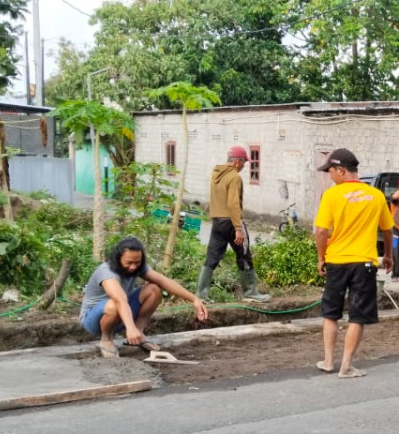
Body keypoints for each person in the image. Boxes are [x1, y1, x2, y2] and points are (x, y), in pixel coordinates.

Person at [313, 148, 395, 379]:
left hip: (337, 261)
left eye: (330, 171)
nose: (330, 176)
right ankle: (346, 367)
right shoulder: (376, 195)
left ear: (341, 170)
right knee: (358, 315)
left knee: (331, 313)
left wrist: (321, 257)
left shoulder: (332, 195)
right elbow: (388, 230)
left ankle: (328, 361)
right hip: (364, 264)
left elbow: (321, 231)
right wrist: (388, 255)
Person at [80, 237, 208, 358]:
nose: (133, 267)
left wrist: (194, 299)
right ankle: (106, 339)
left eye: (137, 262)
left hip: (121, 315)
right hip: (94, 320)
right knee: (113, 304)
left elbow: (164, 281)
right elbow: (120, 300)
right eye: (129, 263)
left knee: (154, 289)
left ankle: (139, 333)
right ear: (118, 258)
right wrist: (130, 328)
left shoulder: (137, 267)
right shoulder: (107, 271)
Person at [197, 145, 270, 303]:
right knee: (244, 253)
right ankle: (250, 292)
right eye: (244, 162)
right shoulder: (234, 177)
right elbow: (233, 204)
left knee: (212, 256)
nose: (244, 165)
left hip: (217, 221)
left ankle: (201, 294)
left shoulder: (216, 174)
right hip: (231, 222)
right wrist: (238, 228)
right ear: (237, 161)